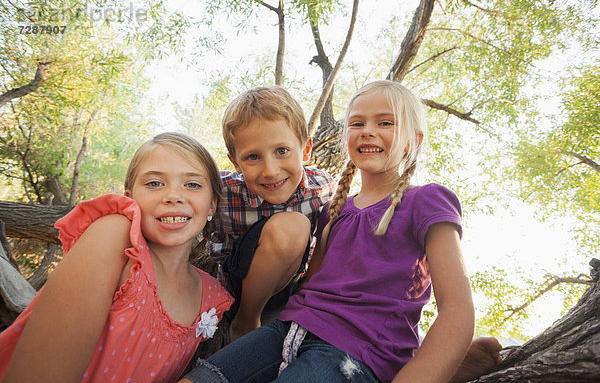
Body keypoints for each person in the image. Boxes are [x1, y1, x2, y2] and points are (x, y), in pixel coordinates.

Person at [181, 80, 475, 383]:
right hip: (284, 330)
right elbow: (309, 288)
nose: (368, 130)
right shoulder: (334, 211)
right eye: (357, 122)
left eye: (385, 122)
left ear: (413, 140)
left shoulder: (426, 200)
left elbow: (457, 310)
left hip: (350, 351)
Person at [0, 132, 233, 382]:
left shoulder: (211, 296)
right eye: (155, 183)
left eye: (193, 184)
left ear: (212, 204)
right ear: (130, 197)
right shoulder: (116, 238)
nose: (173, 195)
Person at [212, 86, 335, 339]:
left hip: (288, 284)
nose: (270, 171)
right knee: (291, 228)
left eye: (282, 151)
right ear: (235, 163)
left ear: (306, 149)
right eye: (253, 157)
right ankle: (245, 321)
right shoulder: (221, 191)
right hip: (236, 281)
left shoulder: (322, 188)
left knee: (298, 228)